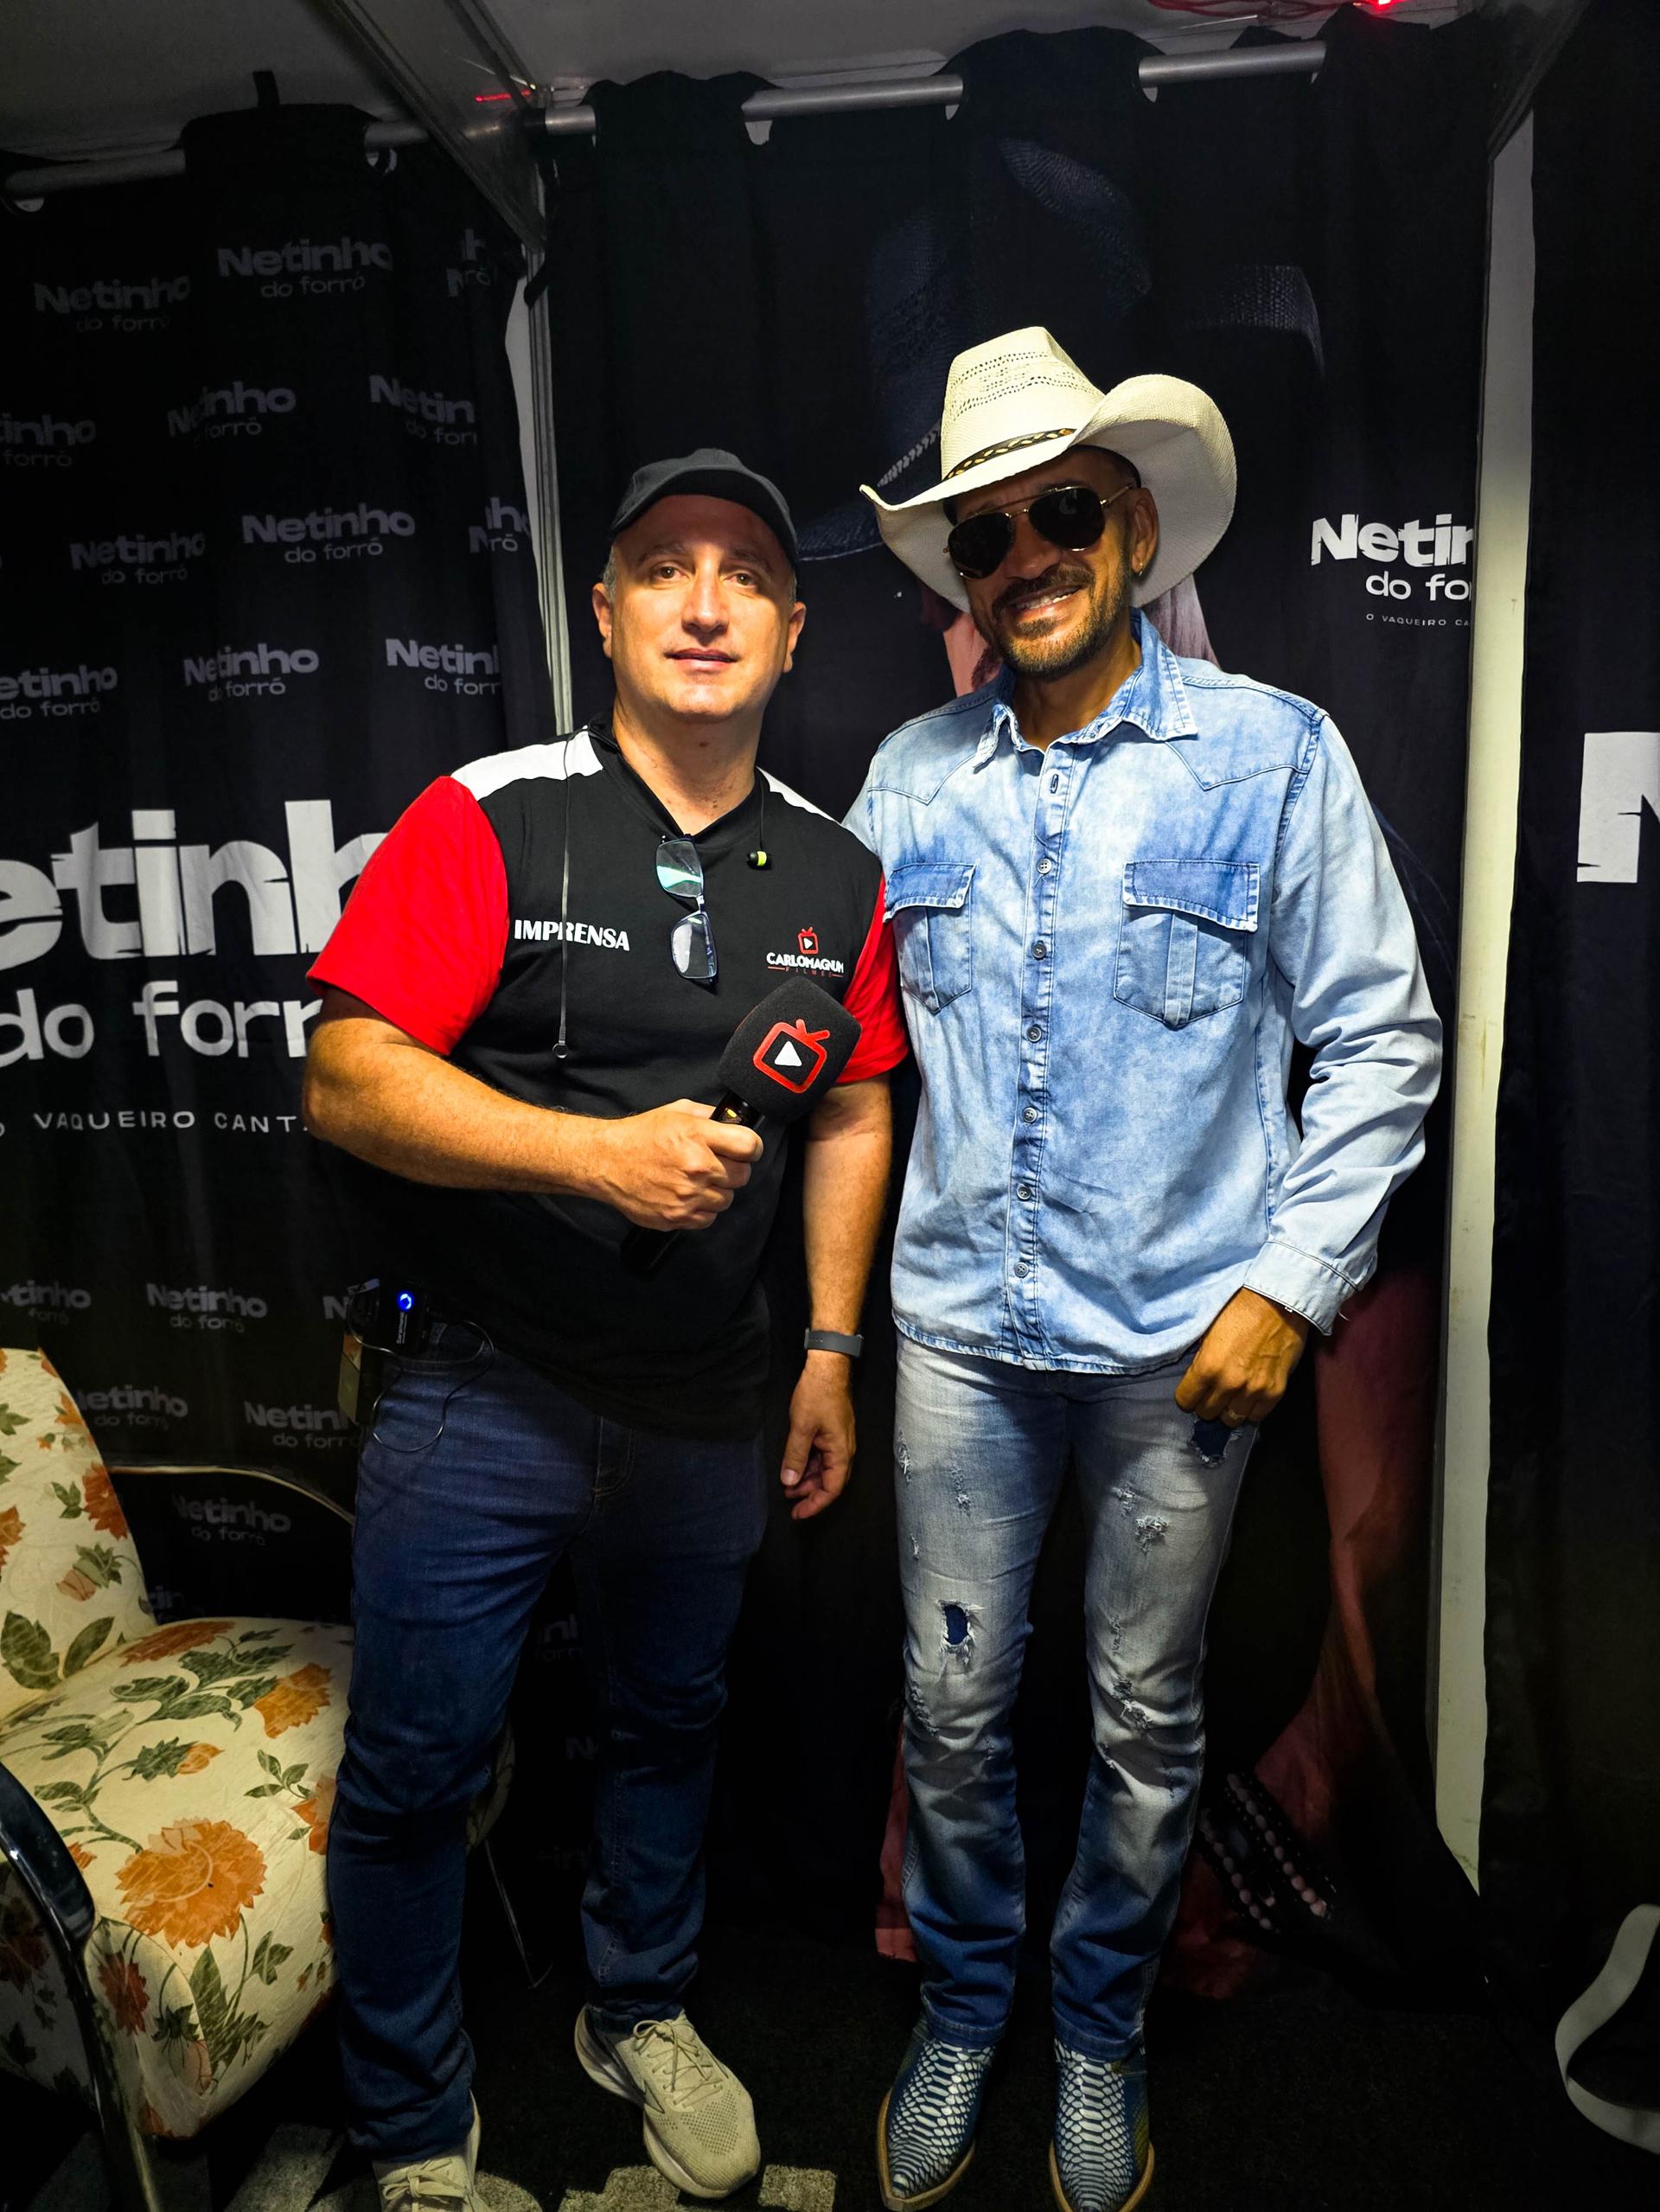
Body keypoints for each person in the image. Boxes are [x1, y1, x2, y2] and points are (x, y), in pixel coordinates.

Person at [846, 329, 1441, 2212]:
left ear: (1133, 529)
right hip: (960, 1338)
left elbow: (1382, 1039)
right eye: (985, 535)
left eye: (1062, 515)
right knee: (951, 1711)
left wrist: (1290, 1284)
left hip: (1184, 1349)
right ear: (962, 576)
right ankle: (967, 2007)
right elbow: (836, 1046)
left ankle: (1097, 2027)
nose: (1023, 555)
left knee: (1140, 1714)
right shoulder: (907, 779)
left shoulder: (1275, 753)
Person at [303, 449, 906, 2210]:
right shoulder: (489, 814)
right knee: (416, 1770)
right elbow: (346, 1076)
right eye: (664, 567)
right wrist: (592, 1155)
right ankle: (412, 2118)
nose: (705, 604)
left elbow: (855, 1102)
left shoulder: (839, 869)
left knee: (669, 1725)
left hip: (709, 1406)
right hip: (480, 1393)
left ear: (792, 630)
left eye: (745, 576)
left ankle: (635, 2007)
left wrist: (829, 1349)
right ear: (608, 611)